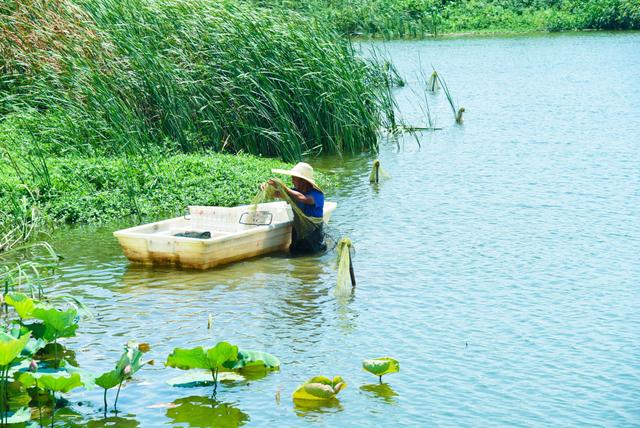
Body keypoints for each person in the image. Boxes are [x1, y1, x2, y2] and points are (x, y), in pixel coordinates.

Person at [262, 162, 326, 255]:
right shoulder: (294, 192)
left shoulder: (317, 194)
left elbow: (302, 198)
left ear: (303, 181)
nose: (292, 181)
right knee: (295, 255)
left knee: (312, 256)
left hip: (313, 235)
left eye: (294, 179)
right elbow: (274, 194)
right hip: (297, 233)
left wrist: (284, 187)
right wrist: (265, 188)